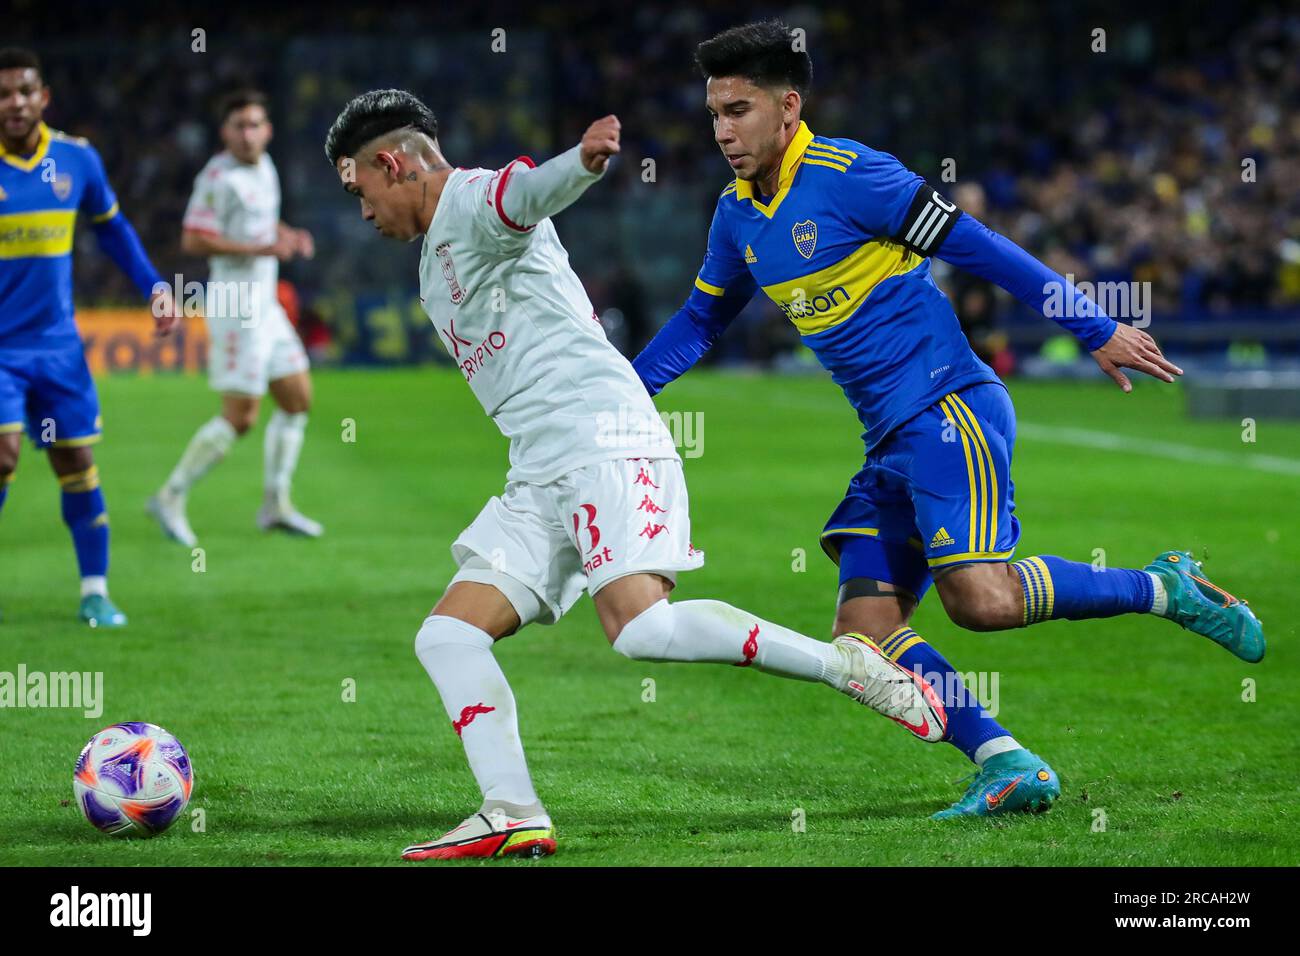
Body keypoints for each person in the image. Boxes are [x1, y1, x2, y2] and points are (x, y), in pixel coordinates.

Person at [631, 20, 1265, 819]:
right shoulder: (736, 216)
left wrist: (1093, 325)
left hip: (945, 408)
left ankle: (1161, 588)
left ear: (788, 107)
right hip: (888, 440)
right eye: (715, 113)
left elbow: (980, 247)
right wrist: (618, 391)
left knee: (983, 602)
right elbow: (699, 322)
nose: (723, 131)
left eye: (740, 110)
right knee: (862, 637)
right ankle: (1006, 760)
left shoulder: (853, 175)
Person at [324, 88, 946, 860]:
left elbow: (525, 192)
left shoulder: (474, 201)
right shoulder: (430, 264)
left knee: (641, 631)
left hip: (602, 441)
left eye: (359, 189)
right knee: (448, 637)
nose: (361, 211)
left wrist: (579, 164)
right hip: (540, 466)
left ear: (391, 162)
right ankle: (511, 809)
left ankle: (847, 665)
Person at [0, 47, 180, 627]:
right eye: (4, 94)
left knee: (74, 459)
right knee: (2, 456)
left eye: (25, 91)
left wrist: (153, 285)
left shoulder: (77, 160)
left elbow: (114, 230)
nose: (15, 103)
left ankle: (95, 592)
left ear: (43, 97)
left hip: (57, 347)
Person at [149, 89, 321, 546]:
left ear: (268, 130)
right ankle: (170, 495)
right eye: (238, 126)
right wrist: (262, 249)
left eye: (255, 125)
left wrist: (288, 235)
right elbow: (193, 239)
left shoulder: (266, 168)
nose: (247, 134)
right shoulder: (216, 177)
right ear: (225, 132)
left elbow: (263, 225)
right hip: (235, 305)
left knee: (297, 399)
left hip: (266, 305)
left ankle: (275, 503)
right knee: (241, 417)